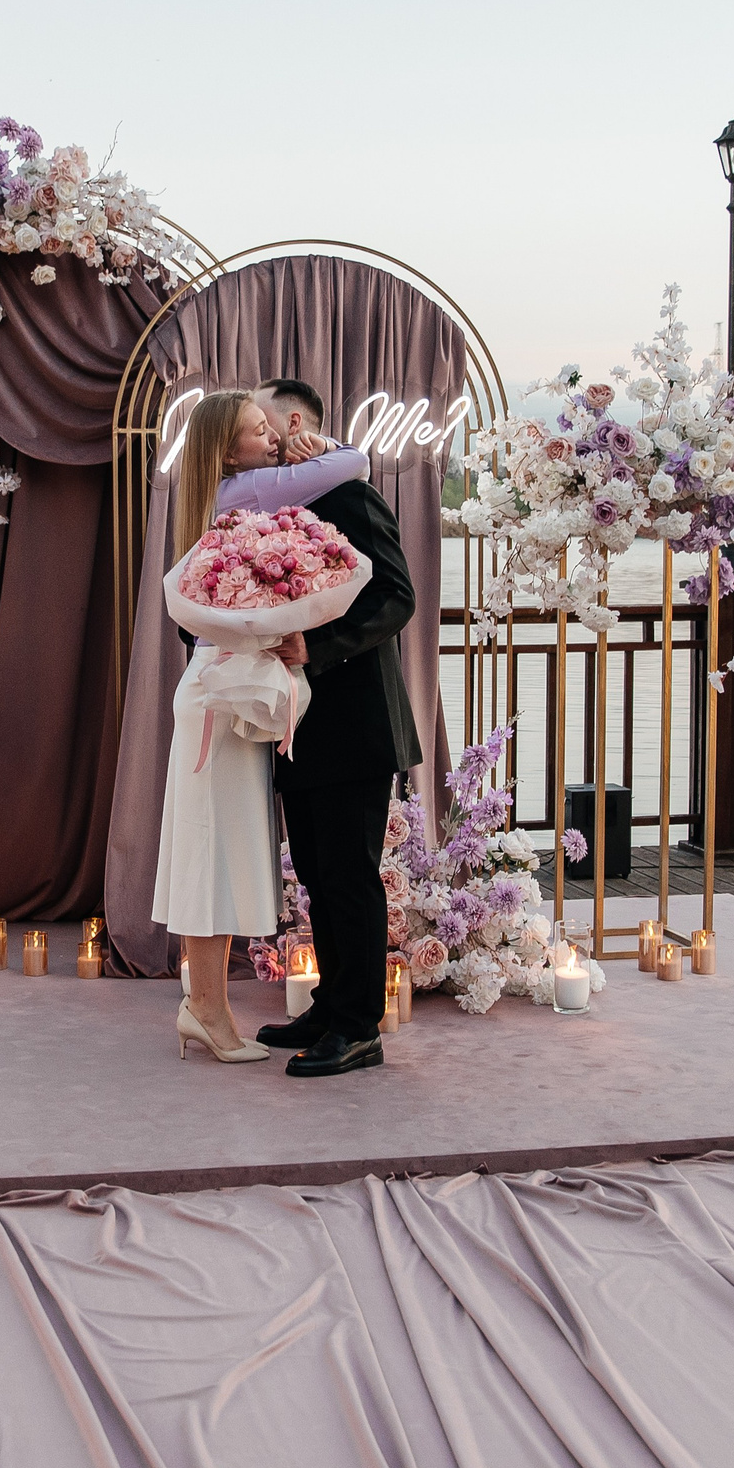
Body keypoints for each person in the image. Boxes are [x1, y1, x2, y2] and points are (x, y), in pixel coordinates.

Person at [152, 389, 368, 1064]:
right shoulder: (247, 490)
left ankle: (207, 1005)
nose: (272, 436)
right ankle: (206, 1008)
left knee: (211, 850)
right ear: (226, 448)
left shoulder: (219, 494)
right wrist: (323, 446)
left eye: (270, 427)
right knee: (209, 852)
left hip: (225, 694)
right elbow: (355, 461)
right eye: (256, 430)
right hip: (226, 697)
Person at [252, 378, 419, 1078]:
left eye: (261, 422)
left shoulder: (348, 491)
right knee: (318, 873)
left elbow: (396, 594)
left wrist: (315, 650)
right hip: (303, 723)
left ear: (295, 423)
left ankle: (359, 1027)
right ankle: (331, 1003)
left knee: (349, 875)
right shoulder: (274, 503)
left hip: (355, 721)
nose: (254, 437)